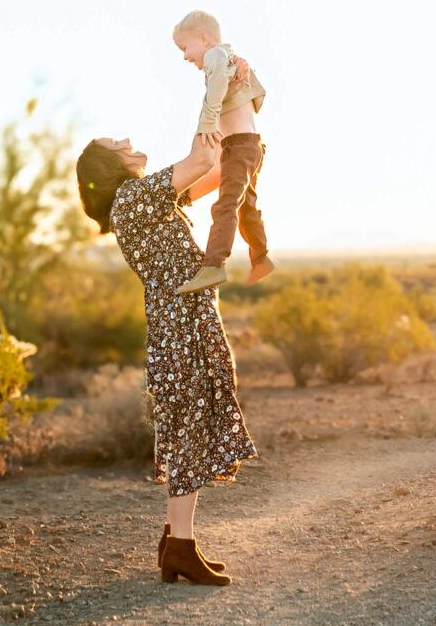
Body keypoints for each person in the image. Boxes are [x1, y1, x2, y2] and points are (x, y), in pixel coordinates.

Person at [76, 132, 257, 586]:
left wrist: (246, 152)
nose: (128, 140)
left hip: (182, 319)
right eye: (116, 141)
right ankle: (180, 548)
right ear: (108, 163)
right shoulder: (134, 197)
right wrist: (216, 113)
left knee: (188, 428)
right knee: (186, 431)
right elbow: (199, 162)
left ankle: (176, 541)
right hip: (180, 325)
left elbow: (213, 175)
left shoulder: (142, 199)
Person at [172, 9, 275, 294]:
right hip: (251, 145)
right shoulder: (230, 60)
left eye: (185, 48)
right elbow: (257, 98)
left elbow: (216, 88)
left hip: (240, 147)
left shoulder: (217, 57)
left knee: (226, 205)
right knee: (246, 207)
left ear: (204, 39)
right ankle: (261, 258)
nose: (184, 56)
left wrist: (207, 122)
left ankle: (214, 265)